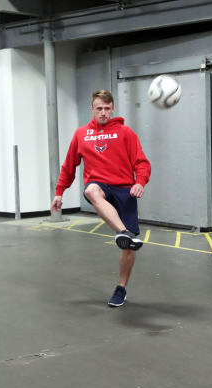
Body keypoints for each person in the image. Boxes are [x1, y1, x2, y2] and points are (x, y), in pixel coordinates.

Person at [52, 90, 151, 307]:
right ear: (92, 109)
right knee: (91, 191)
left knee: (129, 248)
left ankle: (121, 288)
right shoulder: (81, 134)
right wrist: (59, 192)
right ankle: (123, 232)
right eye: (99, 108)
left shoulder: (126, 133)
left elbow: (142, 163)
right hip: (100, 185)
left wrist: (139, 182)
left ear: (112, 108)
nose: (103, 113)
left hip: (125, 188)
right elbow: (69, 166)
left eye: (107, 108)